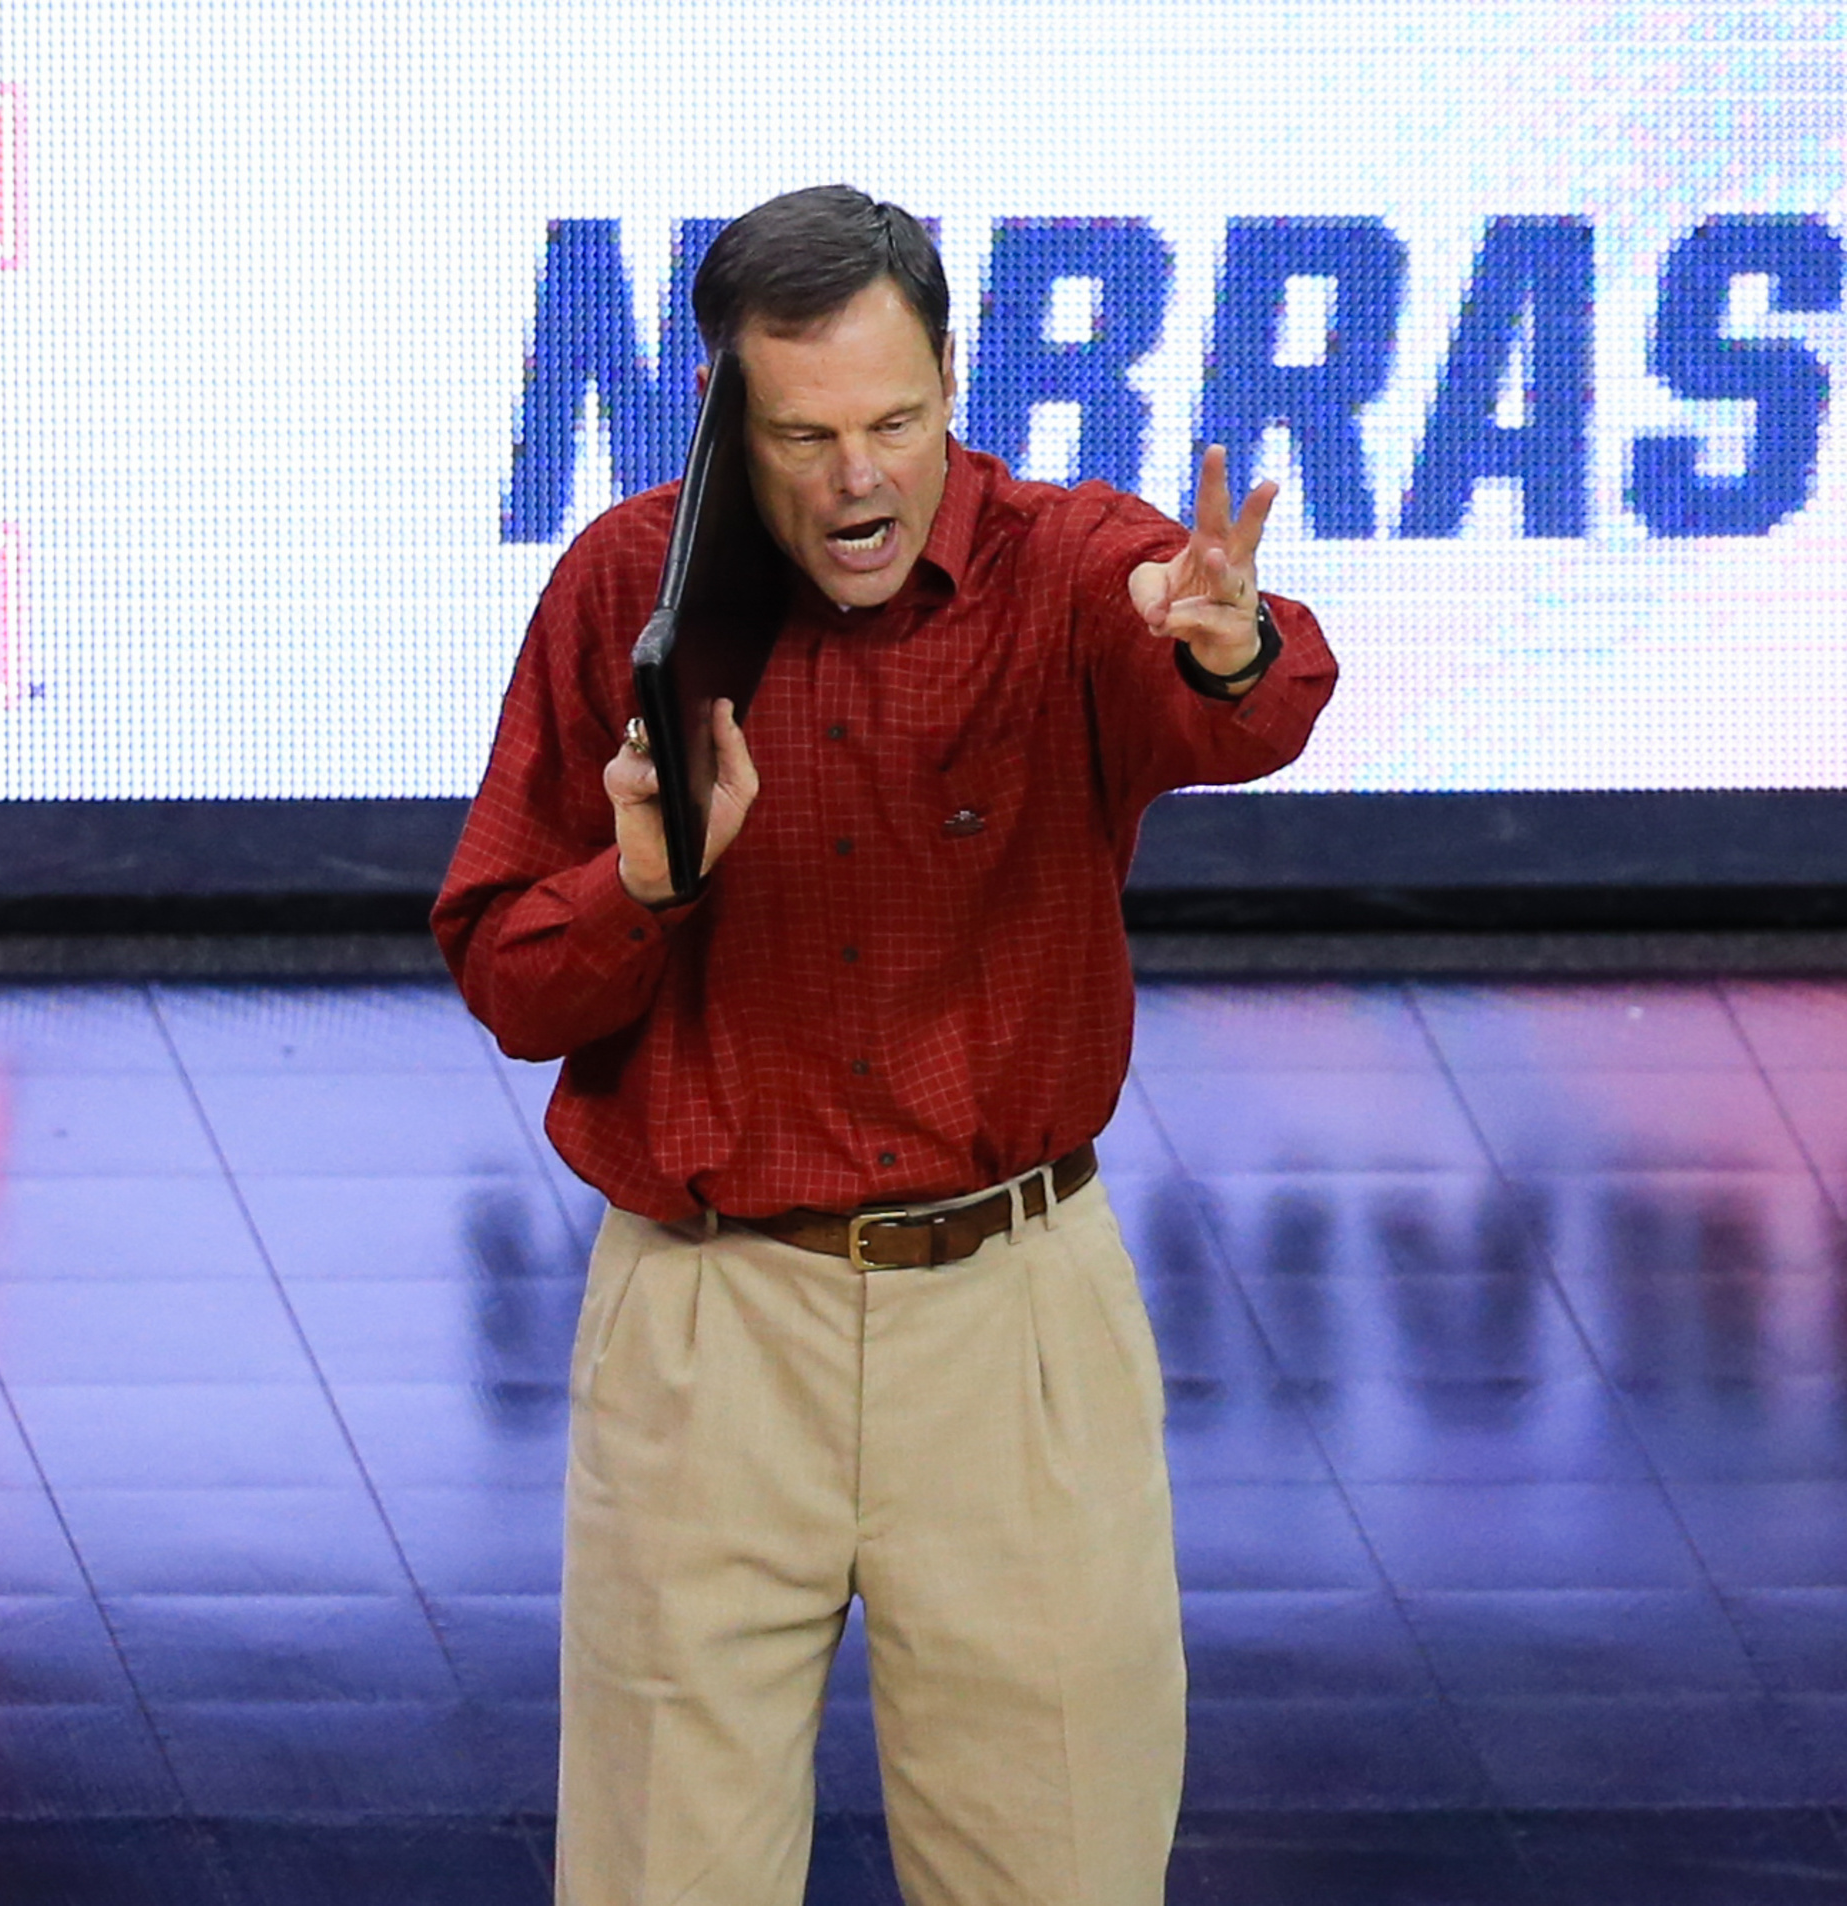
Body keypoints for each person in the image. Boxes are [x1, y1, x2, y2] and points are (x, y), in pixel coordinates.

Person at [434, 185, 1337, 1906]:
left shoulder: (1070, 569)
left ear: (952, 385)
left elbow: (1247, 709)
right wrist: (642, 880)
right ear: (723, 414)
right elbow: (508, 977)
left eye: (896, 422)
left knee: (1059, 1865)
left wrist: (1233, 643)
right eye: (805, 433)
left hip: (1013, 1322)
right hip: (710, 1330)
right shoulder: (625, 590)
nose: (859, 476)